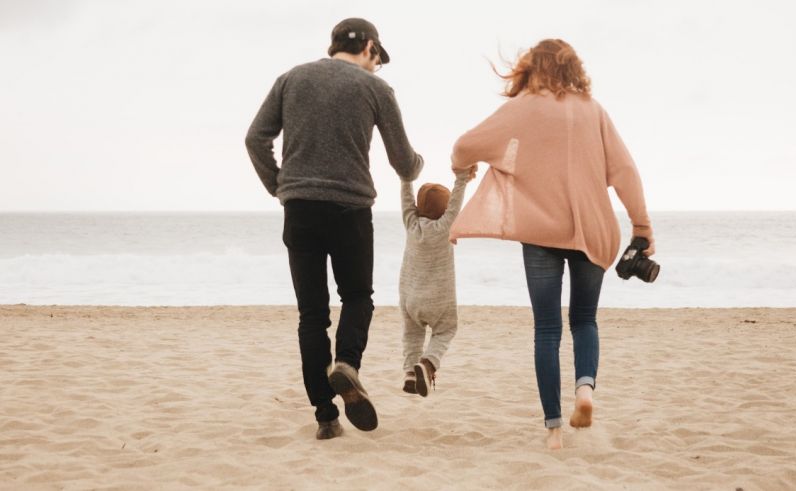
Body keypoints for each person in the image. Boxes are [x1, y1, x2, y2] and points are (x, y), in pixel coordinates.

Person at [448, 39, 655, 450]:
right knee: (585, 321)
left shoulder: (523, 107)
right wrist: (642, 226)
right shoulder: (593, 111)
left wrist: (462, 168)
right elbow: (625, 171)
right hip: (593, 233)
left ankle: (554, 431)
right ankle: (585, 393)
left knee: (547, 328)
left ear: (532, 68)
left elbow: (464, 146)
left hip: (542, 236)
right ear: (574, 69)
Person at [244, 18, 423, 440]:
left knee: (312, 314)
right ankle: (347, 364)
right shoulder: (375, 88)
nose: (378, 68)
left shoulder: (291, 79)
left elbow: (255, 139)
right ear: (371, 49)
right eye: (378, 61)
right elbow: (403, 163)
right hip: (351, 209)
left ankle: (325, 414)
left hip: (300, 208)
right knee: (358, 297)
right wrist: (420, 165)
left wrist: (280, 186)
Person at [398, 169, 473, 397]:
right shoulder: (444, 227)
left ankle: (411, 374)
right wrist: (462, 179)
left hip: (410, 298)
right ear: (444, 210)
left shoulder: (411, 224)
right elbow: (456, 205)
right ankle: (428, 364)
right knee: (446, 330)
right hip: (439, 299)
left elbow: (406, 200)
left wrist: (406, 177)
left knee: (412, 334)